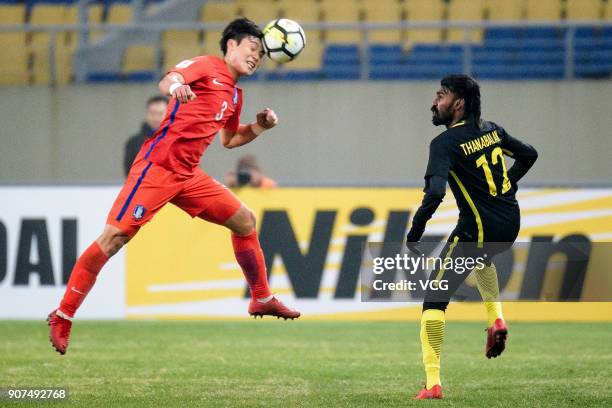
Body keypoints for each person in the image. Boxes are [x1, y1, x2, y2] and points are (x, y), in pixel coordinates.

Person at [48, 18, 300, 355]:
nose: (256, 57)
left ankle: (261, 297)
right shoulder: (207, 65)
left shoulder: (234, 93)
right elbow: (171, 78)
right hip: (157, 168)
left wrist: (259, 126)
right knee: (113, 239)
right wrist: (177, 86)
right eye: (252, 49)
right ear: (231, 46)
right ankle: (63, 314)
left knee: (245, 221)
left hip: (188, 175)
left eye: (261, 54)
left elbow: (229, 139)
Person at [406, 75, 538, 399]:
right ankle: (496, 320)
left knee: (433, 302)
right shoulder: (491, 129)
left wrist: (416, 229)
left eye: (440, 95)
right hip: (509, 224)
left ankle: (433, 383)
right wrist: (508, 183)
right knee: (482, 258)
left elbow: (435, 192)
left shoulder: (444, 143)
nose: (434, 103)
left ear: (459, 103)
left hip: (477, 230)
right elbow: (530, 154)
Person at [123, 95, 169, 176]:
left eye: (160, 113)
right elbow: (130, 172)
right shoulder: (134, 143)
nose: (156, 118)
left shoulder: (178, 140)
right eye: (152, 113)